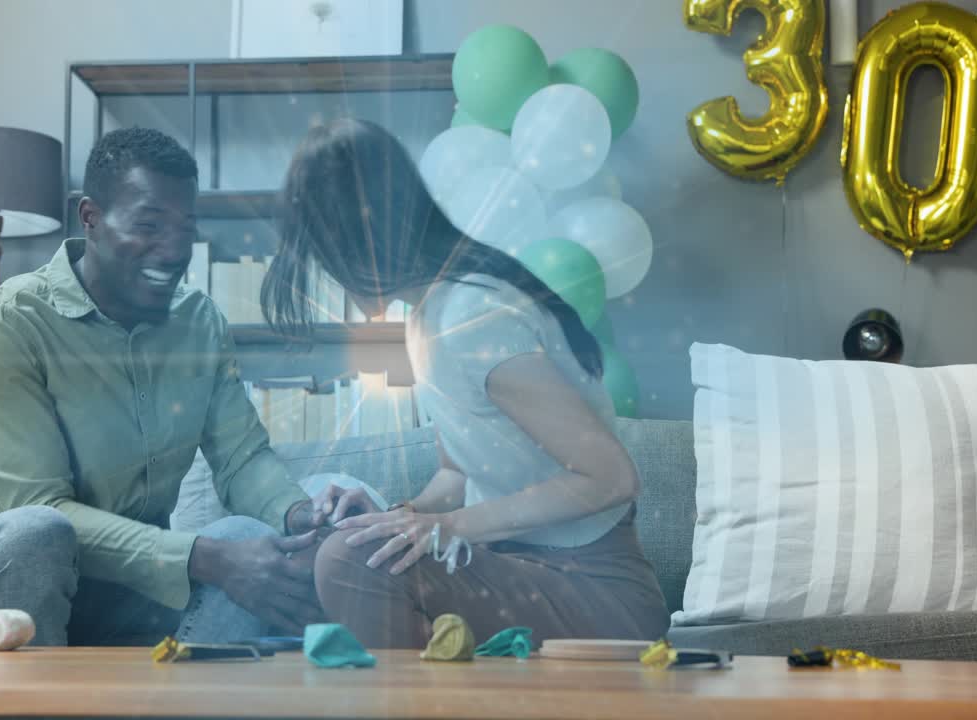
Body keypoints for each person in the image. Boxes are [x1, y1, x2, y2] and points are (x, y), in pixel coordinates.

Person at [261, 118, 670, 648]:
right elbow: (457, 476)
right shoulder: (424, 318)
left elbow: (612, 477)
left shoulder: (476, 316)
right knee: (353, 544)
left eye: (326, 258)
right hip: (513, 569)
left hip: (596, 589)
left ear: (358, 243)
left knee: (349, 561)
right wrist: (399, 516)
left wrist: (452, 529)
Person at [0, 127, 332, 647]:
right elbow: (40, 505)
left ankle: (181, 703)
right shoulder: (4, 322)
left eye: (186, 228)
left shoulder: (199, 322)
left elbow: (241, 458)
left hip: (130, 592)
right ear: (90, 218)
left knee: (246, 539)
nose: (173, 249)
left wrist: (302, 515)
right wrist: (202, 557)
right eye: (149, 225)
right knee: (38, 533)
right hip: (0, 585)